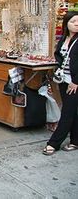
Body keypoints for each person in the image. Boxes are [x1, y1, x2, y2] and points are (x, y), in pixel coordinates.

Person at [43, 11, 78, 155]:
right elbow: (59, 56)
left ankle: (54, 143)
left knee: (67, 113)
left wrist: (76, 82)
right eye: (73, 22)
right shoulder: (64, 39)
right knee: (73, 112)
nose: (76, 24)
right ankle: (75, 141)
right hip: (64, 80)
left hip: (74, 82)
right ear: (66, 24)